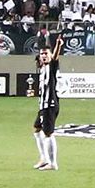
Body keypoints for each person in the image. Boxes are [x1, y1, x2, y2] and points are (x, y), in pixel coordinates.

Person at [32, 33, 63, 171]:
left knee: (48, 134)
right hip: (43, 106)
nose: (43, 56)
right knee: (36, 129)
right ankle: (44, 158)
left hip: (49, 106)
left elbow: (55, 57)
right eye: (41, 54)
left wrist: (58, 45)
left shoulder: (51, 66)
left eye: (46, 53)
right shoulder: (42, 69)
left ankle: (53, 163)